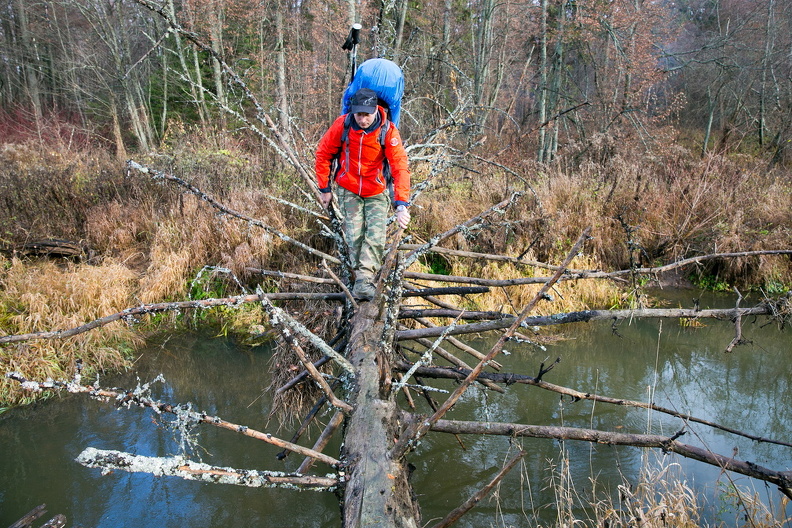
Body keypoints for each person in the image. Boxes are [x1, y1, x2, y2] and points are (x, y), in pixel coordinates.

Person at [315, 88, 411, 301]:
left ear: (375, 110)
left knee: (375, 235)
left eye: (367, 114)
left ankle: (364, 281)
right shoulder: (343, 125)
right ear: (353, 111)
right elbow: (323, 153)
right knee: (355, 235)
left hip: (376, 190)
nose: (363, 119)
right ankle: (361, 277)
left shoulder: (388, 131)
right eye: (359, 114)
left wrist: (401, 204)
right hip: (349, 188)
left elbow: (399, 167)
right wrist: (325, 189)